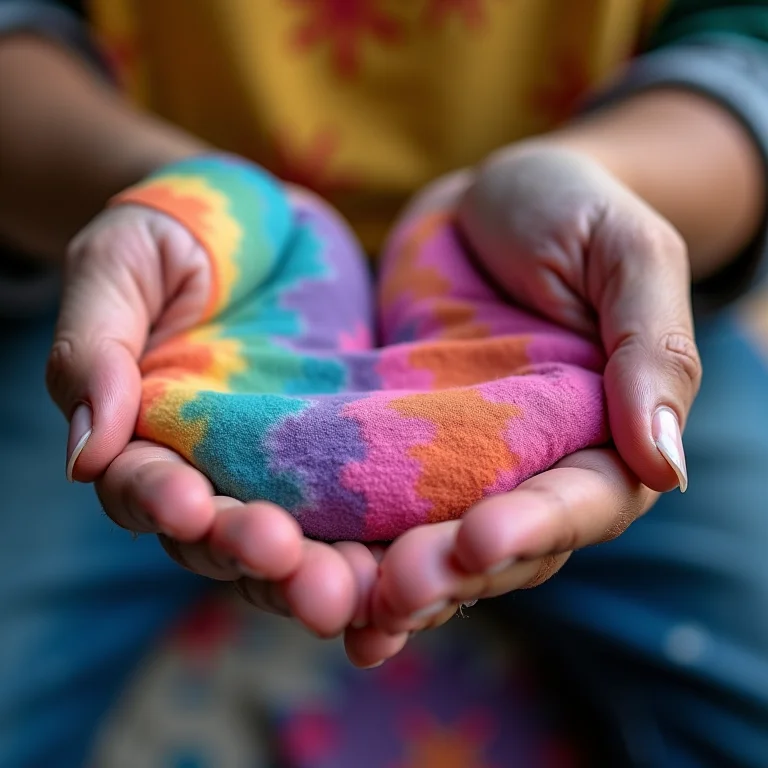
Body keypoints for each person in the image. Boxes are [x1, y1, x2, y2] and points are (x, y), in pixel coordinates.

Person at [0, 1, 767, 765]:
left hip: (576, 302)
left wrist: (609, 191)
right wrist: (174, 195)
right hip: (175, 298)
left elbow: (743, 51)